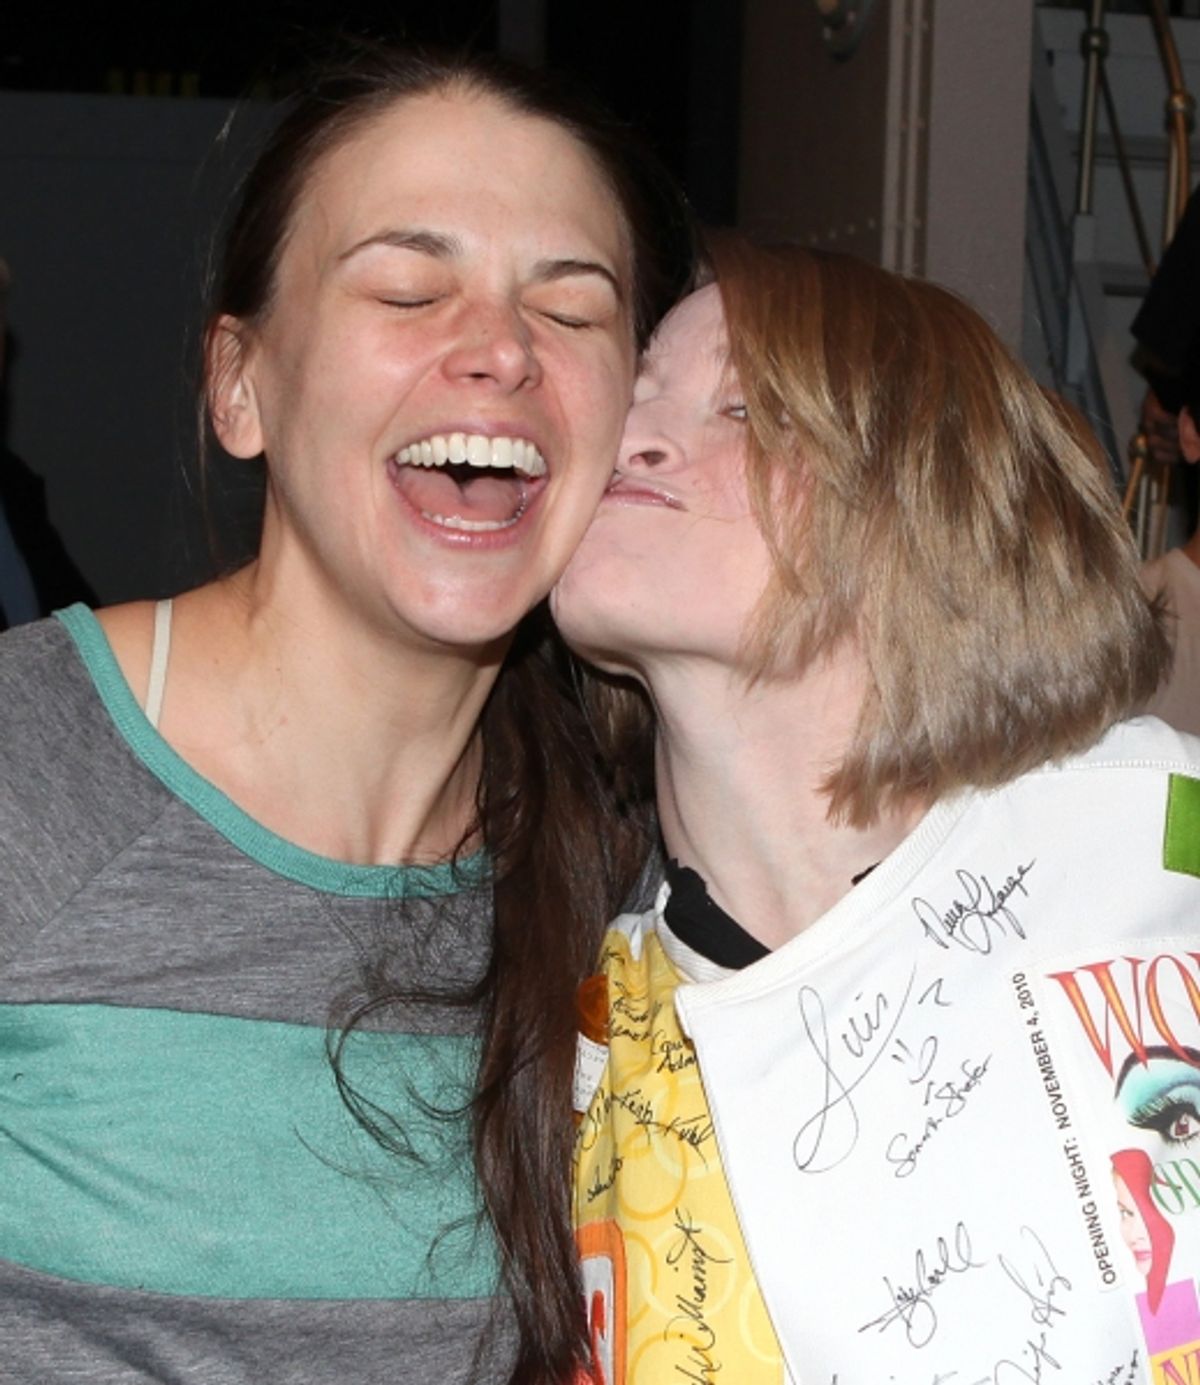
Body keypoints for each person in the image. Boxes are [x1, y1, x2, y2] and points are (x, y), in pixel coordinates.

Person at [0, 45, 691, 1385]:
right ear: (239, 386)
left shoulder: (628, 891)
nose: (498, 349)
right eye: (409, 287)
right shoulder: (26, 775)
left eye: (571, 309)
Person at [558, 237, 1200, 1383]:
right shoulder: (571, 1045)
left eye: (749, 409)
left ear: (929, 503)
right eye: (633, 392)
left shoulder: (1158, 847)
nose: (632, 438)